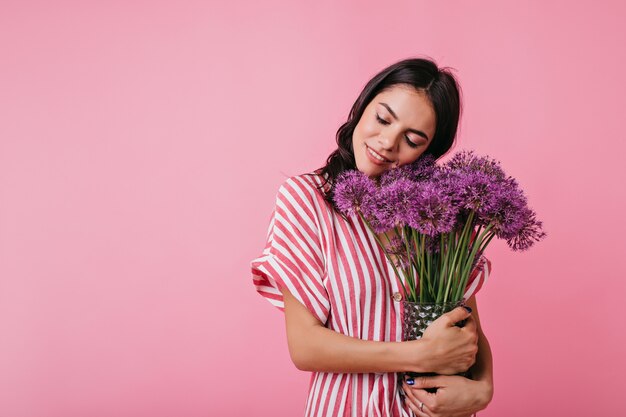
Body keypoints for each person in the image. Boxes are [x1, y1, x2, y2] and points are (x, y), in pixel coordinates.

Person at [250, 57, 494, 417]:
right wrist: (419, 354)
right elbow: (305, 346)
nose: (387, 143)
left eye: (412, 140)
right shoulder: (307, 200)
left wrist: (482, 390)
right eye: (383, 119)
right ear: (363, 106)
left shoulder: (436, 211)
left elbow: (466, 325)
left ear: (428, 151)